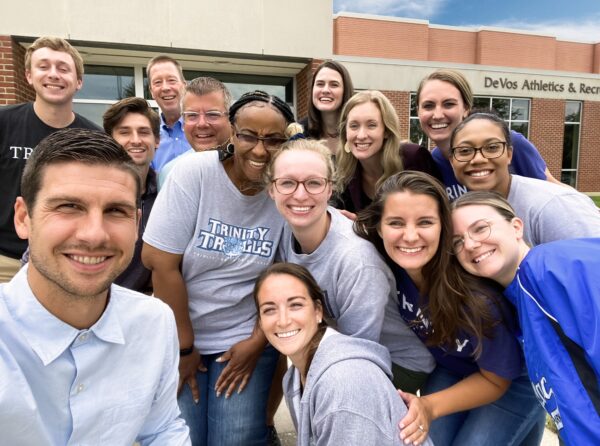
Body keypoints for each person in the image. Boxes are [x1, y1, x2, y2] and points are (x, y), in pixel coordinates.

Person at [0, 128, 190, 445]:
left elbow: (162, 429)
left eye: (116, 211)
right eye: (68, 206)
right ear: (23, 218)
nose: (94, 235)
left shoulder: (153, 322)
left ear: (136, 225)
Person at [142, 90, 296, 446]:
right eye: (248, 136)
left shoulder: (286, 190)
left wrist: (257, 342)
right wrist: (182, 348)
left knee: (234, 439)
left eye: (273, 139)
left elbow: (286, 280)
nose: (260, 150)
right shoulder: (194, 173)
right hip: (182, 332)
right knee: (186, 438)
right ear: (231, 132)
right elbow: (160, 262)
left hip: (244, 336)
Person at [354, 171, 545, 446]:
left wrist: (429, 406)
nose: (410, 236)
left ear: (443, 226)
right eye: (396, 222)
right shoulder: (388, 262)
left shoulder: (477, 300)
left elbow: (496, 380)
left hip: (510, 378)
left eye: (425, 222)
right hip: (455, 364)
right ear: (380, 227)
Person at [266, 137, 434, 388]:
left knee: (316, 388)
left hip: (396, 361)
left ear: (330, 189)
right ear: (272, 189)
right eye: (287, 183)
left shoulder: (356, 259)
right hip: (340, 342)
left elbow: (356, 354)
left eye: (314, 183)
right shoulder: (283, 230)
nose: (300, 195)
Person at [451, 191, 600, 445]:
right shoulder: (519, 297)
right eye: (457, 242)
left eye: (480, 229)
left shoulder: (552, 268)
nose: (470, 244)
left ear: (516, 227)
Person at [253, 262, 434, 446]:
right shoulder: (293, 378)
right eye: (269, 310)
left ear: (318, 311)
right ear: (260, 322)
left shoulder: (342, 384)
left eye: (295, 305)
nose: (283, 321)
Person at [0, 36, 99, 283]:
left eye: (63, 68)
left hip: (65, 260)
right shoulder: (4, 123)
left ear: (78, 82)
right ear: (29, 76)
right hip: (5, 262)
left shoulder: (94, 138)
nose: (53, 74)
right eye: (43, 66)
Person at [449, 111, 600, 245]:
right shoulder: (466, 213)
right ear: (452, 161)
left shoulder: (552, 206)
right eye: (465, 150)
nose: (478, 159)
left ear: (509, 155)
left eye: (492, 147)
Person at [415, 68, 560, 200]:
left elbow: (554, 192)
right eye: (428, 106)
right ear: (418, 111)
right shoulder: (433, 162)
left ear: (466, 108)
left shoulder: (508, 142)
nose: (438, 115)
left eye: (449, 104)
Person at [337, 90, 441, 216]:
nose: (361, 135)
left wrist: (363, 227)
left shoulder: (414, 159)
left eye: (371, 125)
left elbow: (434, 215)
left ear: (386, 131)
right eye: (354, 126)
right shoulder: (346, 173)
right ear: (345, 132)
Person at [102, 97, 160, 292]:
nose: (135, 140)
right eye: (124, 132)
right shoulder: (89, 190)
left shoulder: (167, 194)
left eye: (144, 132)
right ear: (110, 140)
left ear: (157, 141)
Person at [158, 76, 233, 189]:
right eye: (192, 115)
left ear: (230, 119)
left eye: (212, 114)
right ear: (183, 121)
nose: (202, 124)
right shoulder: (170, 173)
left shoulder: (250, 167)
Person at [146, 55, 191, 172]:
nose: (165, 87)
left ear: (184, 86)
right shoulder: (148, 137)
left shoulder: (204, 130)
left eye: (171, 80)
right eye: (157, 82)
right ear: (151, 91)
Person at [302, 60, 354, 154]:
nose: (325, 90)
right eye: (320, 84)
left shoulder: (357, 131)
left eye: (334, 85)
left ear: (345, 91)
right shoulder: (300, 133)